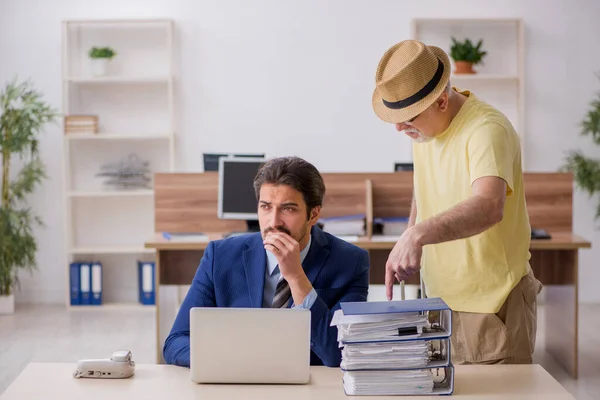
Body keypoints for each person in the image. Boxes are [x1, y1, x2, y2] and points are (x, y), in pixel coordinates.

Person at [371, 39, 542, 364]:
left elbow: (489, 206)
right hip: (440, 301)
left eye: (409, 116)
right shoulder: (423, 130)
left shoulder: (486, 130)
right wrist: (410, 237)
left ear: (440, 102)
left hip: (490, 307)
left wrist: (417, 235)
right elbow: (423, 186)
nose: (399, 126)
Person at [163, 156, 370, 368]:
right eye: (266, 207)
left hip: (309, 387)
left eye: (288, 209)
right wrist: (232, 363)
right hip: (237, 383)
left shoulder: (351, 262)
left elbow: (338, 354)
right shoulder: (220, 256)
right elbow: (176, 342)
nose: (273, 222)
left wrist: (296, 278)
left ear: (313, 214)